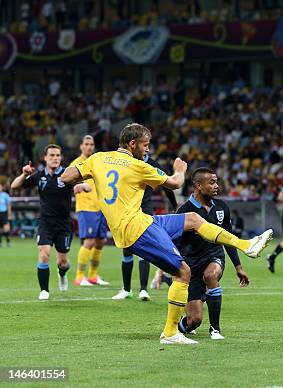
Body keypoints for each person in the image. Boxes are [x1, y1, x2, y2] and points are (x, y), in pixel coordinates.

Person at [60, 123, 272, 344]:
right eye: (145, 145)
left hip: (141, 221)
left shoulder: (98, 158)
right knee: (183, 272)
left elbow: (66, 177)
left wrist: (91, 181)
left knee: (193, 219)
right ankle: (170, 332)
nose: (147, 150)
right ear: (132, 144)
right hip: (137, 228)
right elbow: (175, 183)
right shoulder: (138, 166)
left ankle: (245, 244)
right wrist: (180, 169)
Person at [176, 168, 250, 340]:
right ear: (198, 186)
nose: (217, 186)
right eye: (212, 182)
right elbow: (174, 242)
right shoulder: (184, 211)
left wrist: (238, 267)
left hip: (214, 256)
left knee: (211, 275)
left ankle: (215, 329)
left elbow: (229, 239)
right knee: (194, 321)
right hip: (191, 264)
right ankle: (179, 326)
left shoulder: (222, 207)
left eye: (217, 181)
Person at [11, 145, 77, 300]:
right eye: (52, 155)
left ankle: (62, 274)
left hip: (64, 224)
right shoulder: (39, 175)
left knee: (63, 262)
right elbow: (14, 186)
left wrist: (83, 186)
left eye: (58, 155)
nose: (55, 158)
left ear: (60, 158)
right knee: (44, 254)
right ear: (45, 158)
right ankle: (44, 290)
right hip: (46, 222)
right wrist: (23, 174)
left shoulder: (68, 175)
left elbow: (81, 183)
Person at [112, 153, 178, 301]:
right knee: (127, 249)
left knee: (143, 249)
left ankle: (143, 289)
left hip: (145, 209)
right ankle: (127, 289)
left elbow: (166, 186)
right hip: (127, 210)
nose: (145, 149)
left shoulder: (153, 164)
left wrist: (174, 205)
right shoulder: (125, 162)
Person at [69, 135, 110, 286]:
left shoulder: (96, 163)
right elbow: (68, 183)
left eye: (91, 144)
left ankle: (93, 276)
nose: (89, 147)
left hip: (100, 208)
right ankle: (79, 277)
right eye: (86, 144)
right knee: (89, 241)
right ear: (81, 146)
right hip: (86, 208)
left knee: (100, 242)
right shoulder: (76, 164)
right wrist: (78, 187)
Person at [0, 182, 11, 247]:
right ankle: (0, 242)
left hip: (4, 213)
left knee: (6, 228)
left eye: (0, 187)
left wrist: (9, 214)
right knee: (0, 230)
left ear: (2, 188)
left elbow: (8, 204)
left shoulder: (5, 195)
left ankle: (8, 242)